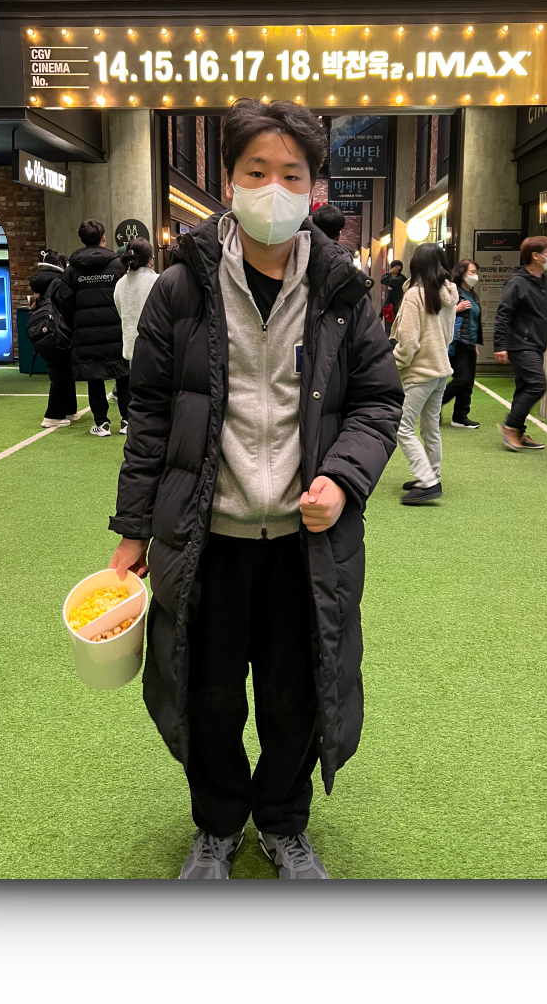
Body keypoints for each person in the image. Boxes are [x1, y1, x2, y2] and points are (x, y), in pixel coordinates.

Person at [107, 98, 403, 880]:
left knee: (294, 693)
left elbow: (378, 402)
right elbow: (149, 415)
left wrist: (342, 477)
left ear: (314, 188)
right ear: (229, 180)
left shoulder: (342, 292)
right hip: (207, 538)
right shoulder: (180, 290)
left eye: (292, 175)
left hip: (306, 544)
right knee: (207, 695)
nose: (274, 189)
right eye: (257, 172)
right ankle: (216, 826)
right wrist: (133, 531)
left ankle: (282, 823)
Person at [52, 219, 130, 437]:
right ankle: (127, 421)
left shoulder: (72, 270)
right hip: (117, 330)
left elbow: (64, 302)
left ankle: (101, 424)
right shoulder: (119, 265)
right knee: (123, 374)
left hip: (85, 333)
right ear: (103, 239)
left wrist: (75, 324)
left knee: (94, 376)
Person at [391, 243, 456, 504]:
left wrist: (394, 364)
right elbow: (449, 335)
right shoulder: (449, 294)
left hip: (419, 372)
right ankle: (432, 476)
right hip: (440, 369)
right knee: (430, 428)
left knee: (403, 428)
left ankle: (427, 481)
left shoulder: (414, 296)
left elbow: (408, 343)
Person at [493, 236, 547, 452]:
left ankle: (517, 431)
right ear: (535, 256)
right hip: (520, 344)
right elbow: (503, 314)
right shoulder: (517, 283)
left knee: (524, 387)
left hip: (536, 344)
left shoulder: (544, 281)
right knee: (537, 384)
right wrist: (499, 344)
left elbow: (545, 314)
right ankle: (510, 426)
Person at [31, 250, 85, 429]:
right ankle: (53, 415)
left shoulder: (43, 283)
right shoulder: (59, 283)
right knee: (62, 373)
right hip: (60, 332)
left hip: (47, 333)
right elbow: (67, 308)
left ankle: (69, 410)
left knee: (62, 371)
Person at [442, 259, 482, 429]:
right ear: (462, 273)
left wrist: (476, 344)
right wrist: (456, 309)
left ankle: (460, 416)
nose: (475, 275)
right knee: (461, 379)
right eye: (471, 272)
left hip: (470, 343)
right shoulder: (452, 291)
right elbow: (439, 313)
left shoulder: (473, 294)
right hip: (456, 342)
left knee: (468, 383)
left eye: (475, 272)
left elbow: (475, 321)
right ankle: (434, 405)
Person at [113, 235, 158, 376]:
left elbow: (121, 314)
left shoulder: (120, 284)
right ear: (150, 259)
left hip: (132, 348)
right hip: (157, 347)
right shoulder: (158, 281)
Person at [380, 259, 406, 337]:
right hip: (389, 309)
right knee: (388, 333)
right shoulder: (393, 279)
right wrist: (382, 311)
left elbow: (383, 280)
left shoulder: (400, 280)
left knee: (392, 334)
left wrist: (389, 272)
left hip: (396, 309)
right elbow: (389, 297)